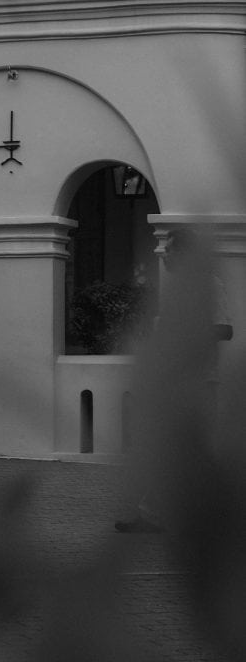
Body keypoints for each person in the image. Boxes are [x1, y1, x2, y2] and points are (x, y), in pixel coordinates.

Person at [114, 228, 232, 534]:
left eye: (172, 248)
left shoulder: (209, 286)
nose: (166, 253)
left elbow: (223, 329)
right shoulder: (177, 290)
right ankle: (155, 513)